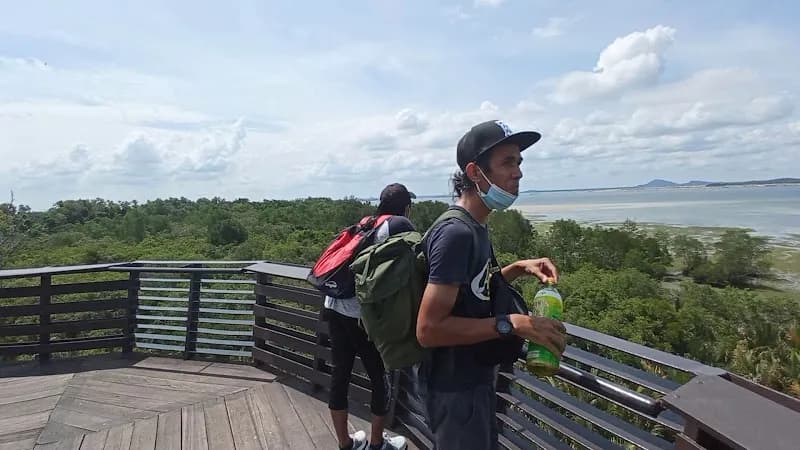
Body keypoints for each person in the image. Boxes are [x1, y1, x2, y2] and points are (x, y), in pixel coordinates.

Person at [415, 120, 568, 450]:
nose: (518, 173)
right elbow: (428, 329)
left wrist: (515, 269)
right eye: (507, 162)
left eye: (519, 162)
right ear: (475, 172)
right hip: (455, 388)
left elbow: (472, 292)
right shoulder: (456, 233)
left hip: (474, 381)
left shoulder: (476, 226)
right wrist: (511, 323)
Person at [324, 183, 415, 450]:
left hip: (334, 305)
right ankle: (377, 445)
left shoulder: (364, 223)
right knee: (380, 379)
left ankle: (345, 444)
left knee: (340, 375)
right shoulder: (399, 224)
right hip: (364, 317)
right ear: (406, 207)